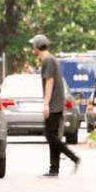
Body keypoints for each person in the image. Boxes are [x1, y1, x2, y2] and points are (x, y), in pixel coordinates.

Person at [32, 34, 80, 177]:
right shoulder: (50, 59)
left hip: (54, 105)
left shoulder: (48, 60)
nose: (32, 48)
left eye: (33, 46)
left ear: (37, 46)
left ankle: (74, 158)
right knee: (53, 137)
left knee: (51, 137)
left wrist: (46, 104)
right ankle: (54, 169)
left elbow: (49, 82)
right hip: (56, 103)